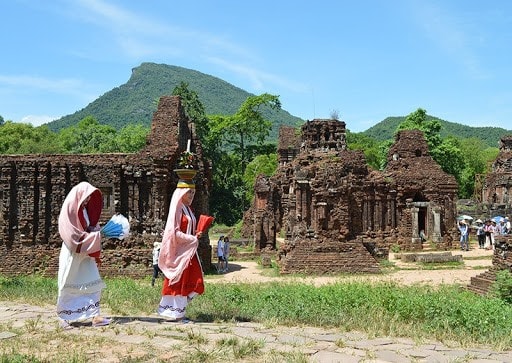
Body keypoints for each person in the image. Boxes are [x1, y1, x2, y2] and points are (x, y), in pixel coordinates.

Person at [56, 181, 111, 329]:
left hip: (85, 251)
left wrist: (95, 231)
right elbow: (72, 236)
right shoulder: (70, 210)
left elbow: (88, 228)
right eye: (86, 197)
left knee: (93, 280)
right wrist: (93, 237)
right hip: (73, 251)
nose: (87, 200)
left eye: (89, 197)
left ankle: (94, 315)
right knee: (68, 281)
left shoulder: (85, 210)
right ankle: (64, 316)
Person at [157, 176, 204, 322]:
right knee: (179, 281)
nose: (191, 195)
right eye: (188, 192)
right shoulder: (178, 208)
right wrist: (192, 238)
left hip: (189, 251)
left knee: (194, 280)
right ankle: (174, 314)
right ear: (181, 193)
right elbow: (174, 233)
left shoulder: (188, 209)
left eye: (193, 193)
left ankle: (178, 312)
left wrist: (196, 233)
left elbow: (187, 229)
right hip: (179, 252)